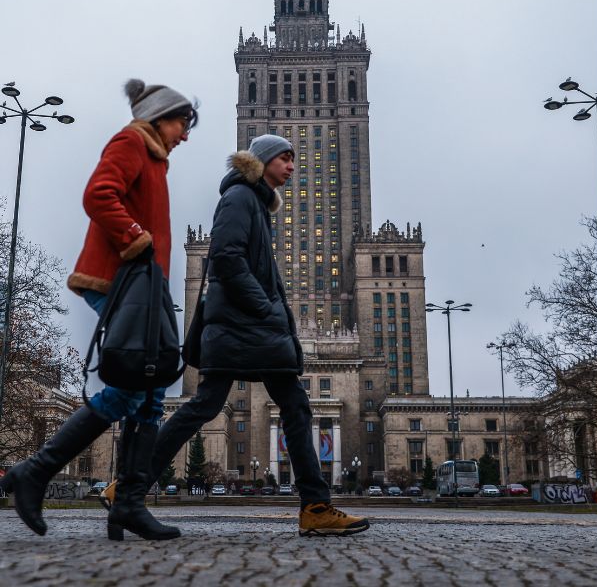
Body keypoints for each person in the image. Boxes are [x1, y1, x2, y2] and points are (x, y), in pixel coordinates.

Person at [106, 135, 369, 535]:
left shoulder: (254, 202)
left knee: (255, 406)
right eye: (286, 158)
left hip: (244, 329)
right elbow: (227, 258)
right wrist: (266, 309)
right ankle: (315, 505)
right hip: (245, 329)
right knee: (243, 407)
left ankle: (126, 486)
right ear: (262, 162)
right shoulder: (241, 198)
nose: (293, 167)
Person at [0, 80, 195, 541]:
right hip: (116, 280)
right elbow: (97, 194)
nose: (185, 135)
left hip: (142, 288)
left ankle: (127, 504)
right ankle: (36, 470)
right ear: (160, 117)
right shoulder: (131, 141)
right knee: (130, 392)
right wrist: (136, 237)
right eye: (182, 123)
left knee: (149, 395)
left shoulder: (155, 158)